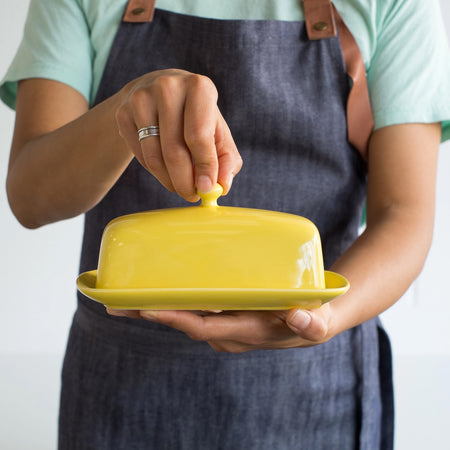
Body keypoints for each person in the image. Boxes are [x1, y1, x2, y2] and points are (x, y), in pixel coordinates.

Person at [2, 0, 450, 448]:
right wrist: (126, 107)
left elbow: (404, 213)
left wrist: (323, 318)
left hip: (315, 386)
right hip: (120, 385)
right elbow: (31, 198)